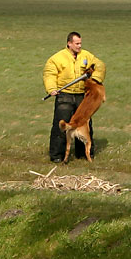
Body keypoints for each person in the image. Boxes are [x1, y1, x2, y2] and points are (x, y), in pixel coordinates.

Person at [43, 32, 106, 163]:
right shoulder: (57, 58)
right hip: (64, 95)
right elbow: (50, 74)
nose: (79, 46)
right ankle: (57, 156)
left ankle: (83, 154)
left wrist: (95, 78)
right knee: (61, 125)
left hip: (81, 95)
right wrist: (51, 88)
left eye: (80, 43)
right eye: (77, 43)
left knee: (84, 123)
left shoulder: (86, 55)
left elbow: (100, 65)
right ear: (69, 43)